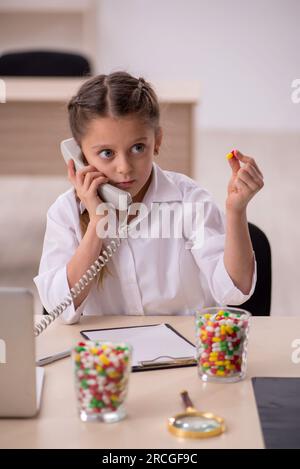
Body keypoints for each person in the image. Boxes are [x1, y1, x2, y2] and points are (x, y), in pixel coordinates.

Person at [33, 71, 264, 324]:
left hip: (185, 351)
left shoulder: (189, 201)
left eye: (137, 148)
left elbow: (234, 290)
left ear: (157, 141)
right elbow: (58, 308)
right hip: (108, 356)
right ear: (79, 155)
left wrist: (236, 211)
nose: (124, 167)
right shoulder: (65, 212)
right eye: (107, 153)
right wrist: (98, 225)